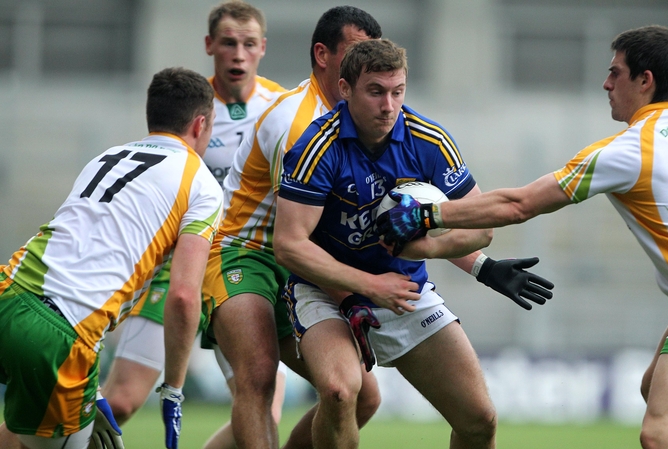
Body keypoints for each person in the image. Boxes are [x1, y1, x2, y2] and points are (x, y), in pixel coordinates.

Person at [377, 25, 668, 449]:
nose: (606, 83)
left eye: (616, 73)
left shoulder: (629, 151)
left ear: (646, 80)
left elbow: (519, 205)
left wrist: (429, 214)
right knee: (660, 398)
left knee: (662, 433)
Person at [273, 38, 553, 449]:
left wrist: (429, 250)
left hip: (404, 292)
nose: (389, 105)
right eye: (376, 92)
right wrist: (367, 287)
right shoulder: (317, 147)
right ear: (346, 89)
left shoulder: (429, 141)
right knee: (339, 391)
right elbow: (290, 246)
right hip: (324, 292)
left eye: (397, 91)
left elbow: (482, 226)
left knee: (479, 420)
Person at [200, 6, 392, 449]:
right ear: (323, 55)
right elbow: (306, 234)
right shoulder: (298, 124)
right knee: (259, 378)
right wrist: (364, 286)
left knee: (359, 396)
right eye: (356, 53)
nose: (368, 66)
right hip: (243, 252)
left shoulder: (359, 114)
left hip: (300, 261)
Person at [0, 67, 222, 449]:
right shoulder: (202, 184)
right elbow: (184, 296)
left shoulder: (109, 156)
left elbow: (81, 257)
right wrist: (173, 388)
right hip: (59, 338)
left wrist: (93, 384)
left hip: (7, 292)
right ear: (201, 124)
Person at [99, 2, 289, 446]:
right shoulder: (190, 109)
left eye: (247, 44)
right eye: (228, 43)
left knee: (262, 411)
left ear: (262, 48)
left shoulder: (281, 109)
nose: (238, 55)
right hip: (178, 264)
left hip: (240, 263)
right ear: (210, 46)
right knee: (123, 401)